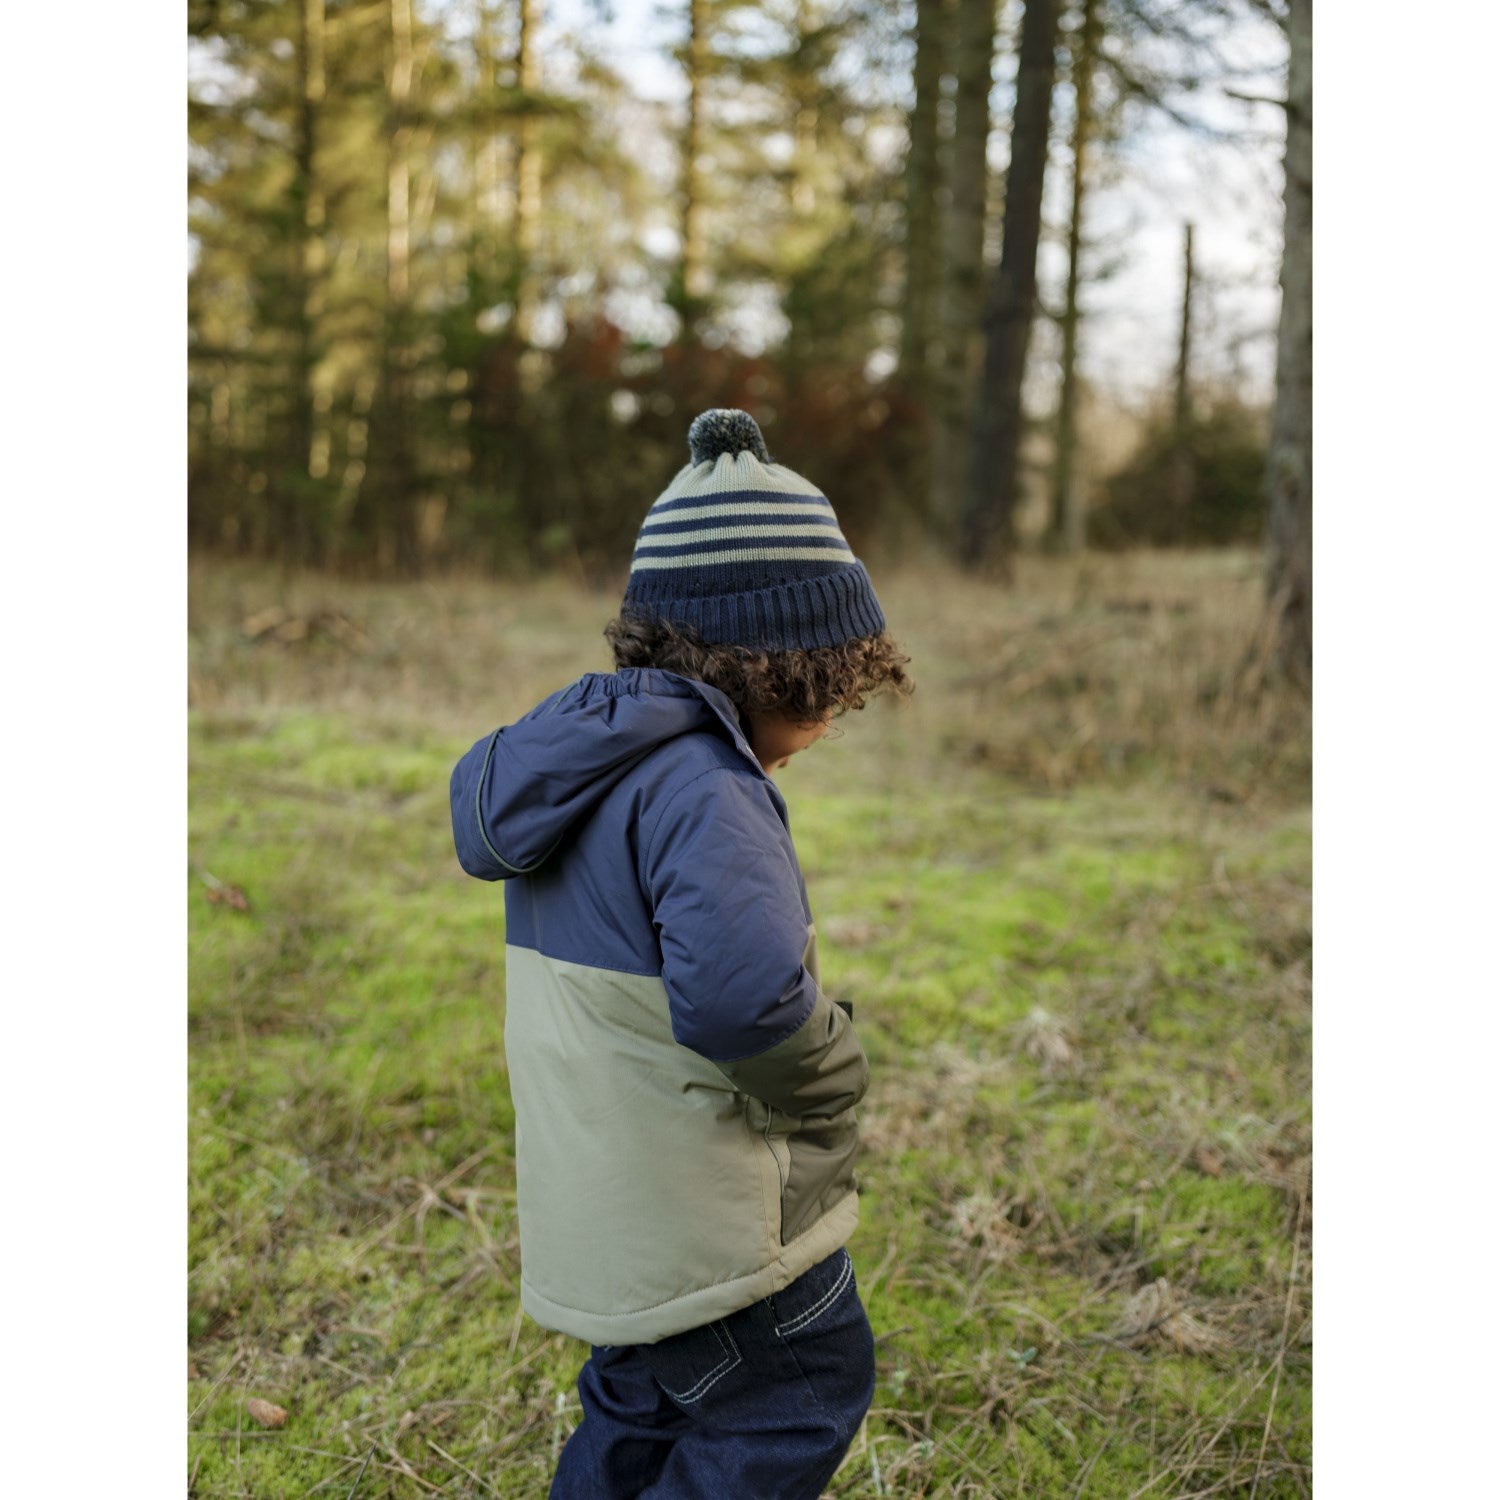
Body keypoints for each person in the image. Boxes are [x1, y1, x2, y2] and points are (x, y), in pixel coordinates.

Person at [449, 408, 913, 1498]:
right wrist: (835, 1069)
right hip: (708, 1221)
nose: (832, 719)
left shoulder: (584, 767)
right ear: (781, 666)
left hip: (612, 1207)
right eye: (833, 689)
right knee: (802, 1383)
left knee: (642, 1407)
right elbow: (746, 1006)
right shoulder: (706, 789)